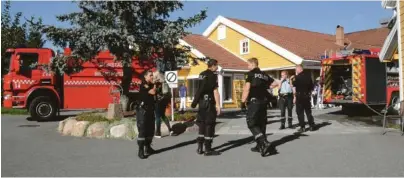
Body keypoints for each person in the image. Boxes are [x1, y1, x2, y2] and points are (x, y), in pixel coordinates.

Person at [241, 57, 275, 157]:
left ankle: (264, 142)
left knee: (251, 123)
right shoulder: (264, 75)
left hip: (254, 102)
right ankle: (259, 146)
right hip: (264, 102)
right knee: (261, 123)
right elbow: (275, 83)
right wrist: (266, 87)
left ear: (252, 64)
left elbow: (247, 89)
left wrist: (243, 102)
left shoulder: (250, 74)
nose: (248, 67)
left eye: (248, 65)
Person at [191, 59, 221, 156]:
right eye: (216, 65)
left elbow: (199, 89)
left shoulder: (201, 74)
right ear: (212, 66)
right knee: (209, 124)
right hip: (209, 103)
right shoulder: (213, 76)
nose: (217, 67)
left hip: (201, 103)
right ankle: (208, 149)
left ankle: (200, 147)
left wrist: (195, 102)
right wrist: (218, 105)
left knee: (202, 124)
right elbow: (215, 91)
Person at [136, 69, 157, 159]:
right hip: (143, 111)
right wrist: (155, 85)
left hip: (150, 110)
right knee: (143, 130)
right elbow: (153, 92)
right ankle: (141, 150)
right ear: (145, 76)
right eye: (150, 75)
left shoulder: (150, 85)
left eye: (152, 75)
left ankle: (148, 148)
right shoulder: (144, 84)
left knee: (150, 129)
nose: (152, 76)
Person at [290, 65, 316, 132]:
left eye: (296, 70)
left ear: (299, 69)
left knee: (300, 112)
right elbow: (312, 87)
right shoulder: (308, 77)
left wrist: (291, 79)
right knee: (308, 112)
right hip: (307, 96)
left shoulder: (296, 77)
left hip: (299, 97)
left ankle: (302, 127)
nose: (296, 71)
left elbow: (292, 85)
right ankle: (311, 126)